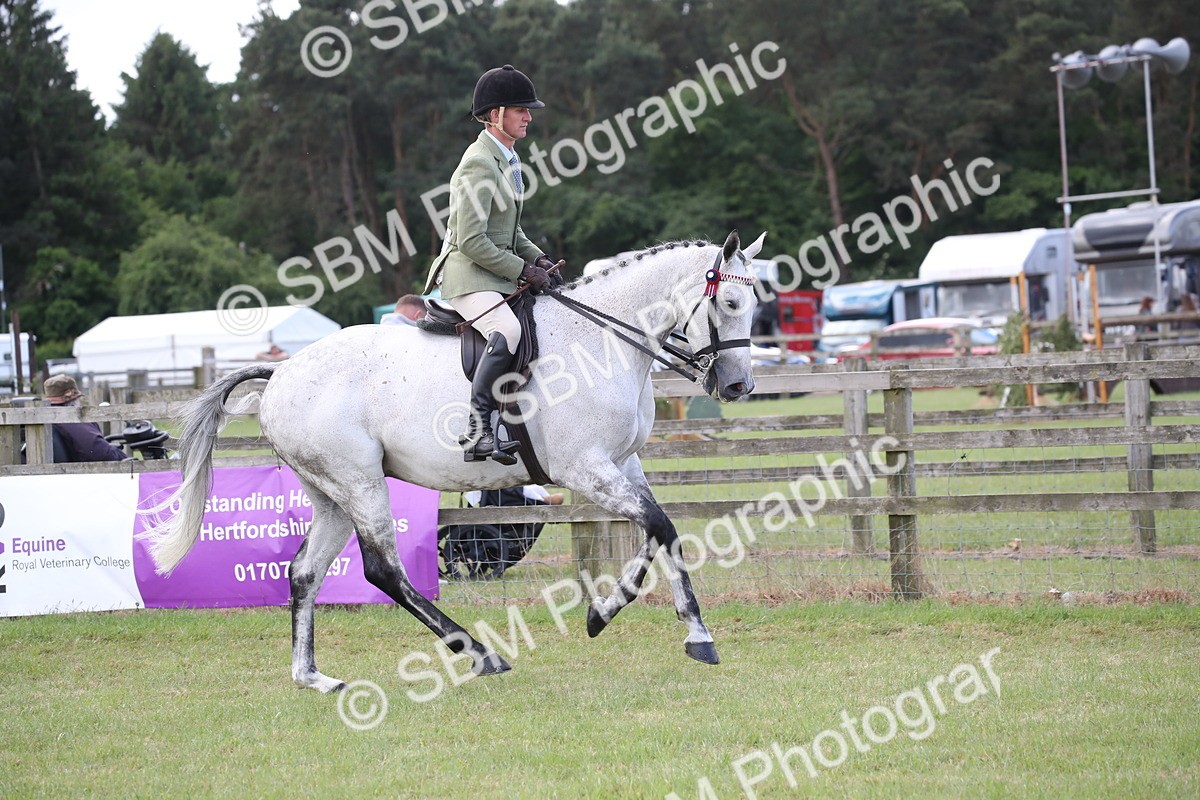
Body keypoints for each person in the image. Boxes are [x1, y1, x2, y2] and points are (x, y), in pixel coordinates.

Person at [422, 64, 565, 465]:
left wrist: (537, 257)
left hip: (492, 268)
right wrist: (522, 271)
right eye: (521, 109)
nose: (529, 116)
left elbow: (510, 230)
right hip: (467, 273)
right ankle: (478, 429)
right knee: (506, 328)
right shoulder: (478, 163)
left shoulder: (508, 159)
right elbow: (470, 240)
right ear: (497, 113)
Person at [43, 375, 130, 463]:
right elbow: (99, 452)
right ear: (74, 399)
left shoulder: (45, 418)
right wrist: (119, 454)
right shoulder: (71, 419)